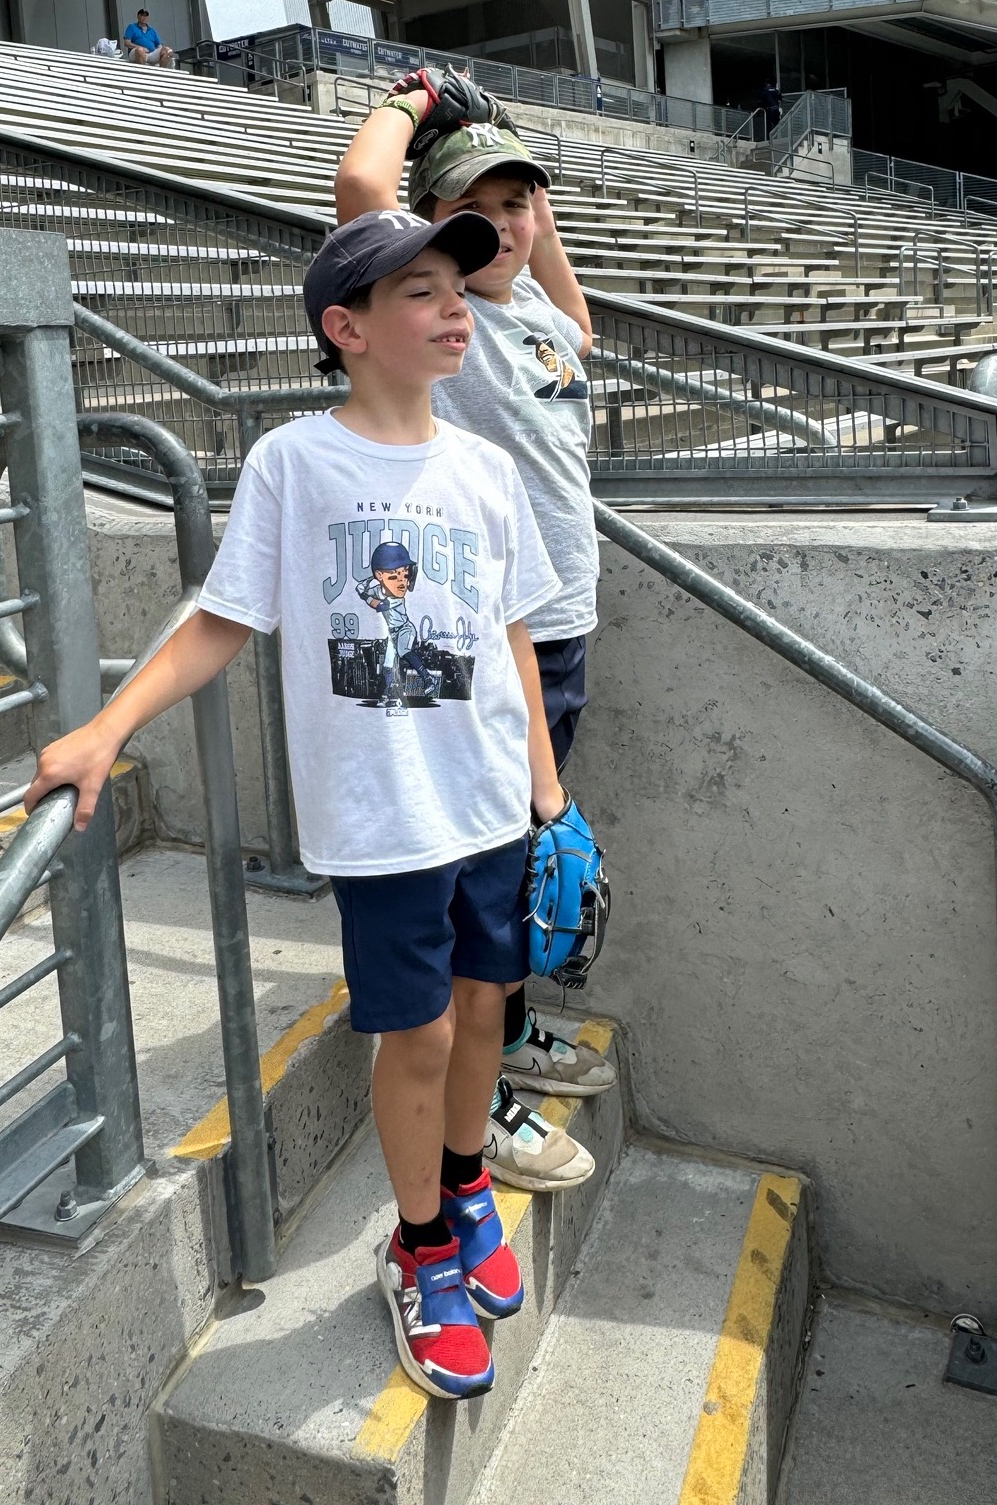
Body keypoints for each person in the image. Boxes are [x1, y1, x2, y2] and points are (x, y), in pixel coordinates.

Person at [23, 208, 568, 1402]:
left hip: (489, 800)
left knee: (487, 1007)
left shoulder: (485, 467)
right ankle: (418, 1246)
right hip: (383, 817)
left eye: (459, 285)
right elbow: (221, 618)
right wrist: (108, 729)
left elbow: (513, 632)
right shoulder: (294, 461)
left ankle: (464, 1179)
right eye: (420, 291)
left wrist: (549, 790)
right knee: (419, 1032)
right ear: (347, 328)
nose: (455, 306)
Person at [335, 80, 617, 1198]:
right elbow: (361, 188)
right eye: (475, 212)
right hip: (492, 640)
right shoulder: (453, 319)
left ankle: (503, 1036)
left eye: (520, 205)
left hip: (562, 624)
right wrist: (416, 100)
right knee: (481, 887)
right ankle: (478, 1095)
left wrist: (525, 194)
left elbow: (575, 312)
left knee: (525, 876)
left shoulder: (540, 311)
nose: (504, 228)